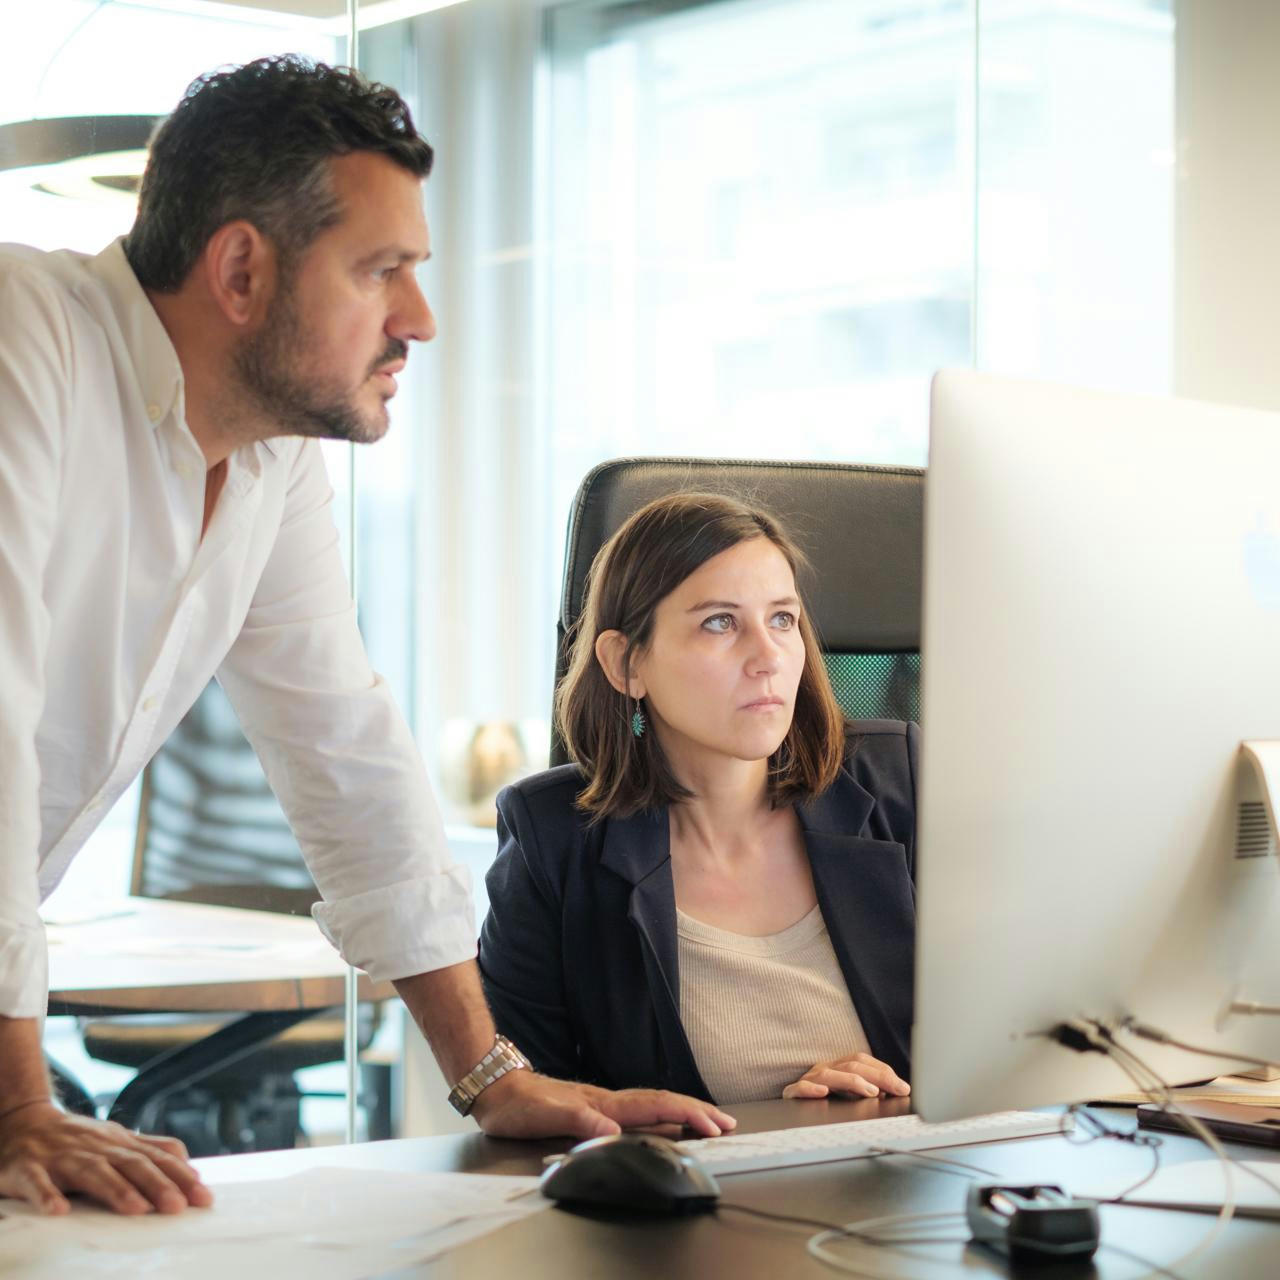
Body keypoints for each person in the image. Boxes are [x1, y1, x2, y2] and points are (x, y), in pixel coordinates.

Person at [0, 56, 731, 1219]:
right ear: (241, 267)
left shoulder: (267, 459)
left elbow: (343, 752)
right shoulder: (22, 336)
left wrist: (491, 1074)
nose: (419, 320)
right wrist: (15, 1104)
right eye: (380, 270)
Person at [479, 492, 917, 1106]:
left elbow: (1015, 1032)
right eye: (720, 622)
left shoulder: (901, 784)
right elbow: (527, 1106)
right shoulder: (550, 840)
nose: (768, 657)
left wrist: (890, 1096)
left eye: (783, 620)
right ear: (626, 664)